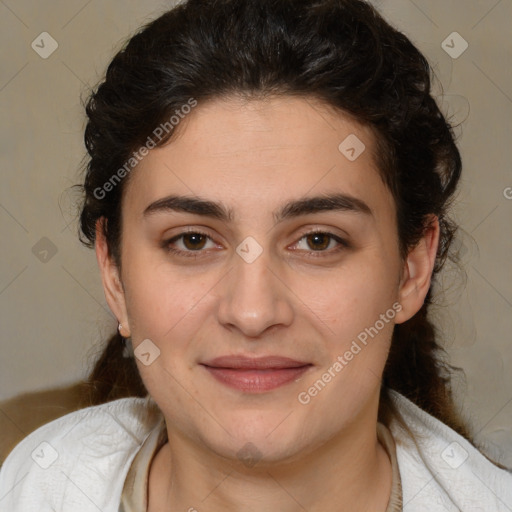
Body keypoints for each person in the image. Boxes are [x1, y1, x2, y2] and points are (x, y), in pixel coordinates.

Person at [0, 0, 511, 510]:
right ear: (114, 274)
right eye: (192, 240)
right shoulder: (32, 487)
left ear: (411, 269)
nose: (252, 312)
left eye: (318, 240)